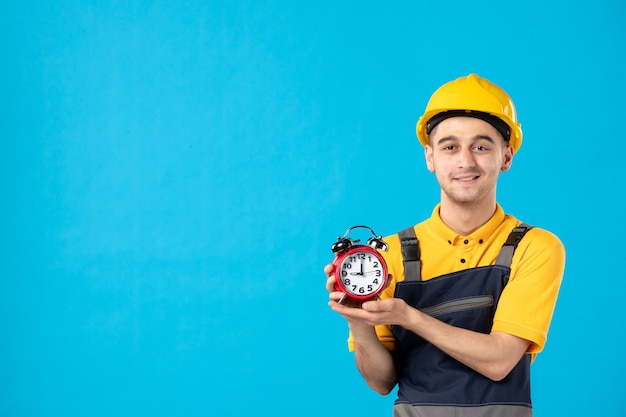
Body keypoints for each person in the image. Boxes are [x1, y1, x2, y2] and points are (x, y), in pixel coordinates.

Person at [324, 73, 565, 417]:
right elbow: (380, 381)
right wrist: (358, 321)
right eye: (450, 147)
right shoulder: (388, 253)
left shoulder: (534, 247)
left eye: (481, 147)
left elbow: (499, 361)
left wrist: (408, 316)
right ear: (430, 157)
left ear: (506, 156)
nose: (465, 161)